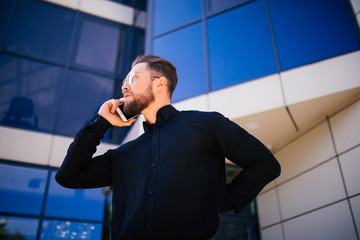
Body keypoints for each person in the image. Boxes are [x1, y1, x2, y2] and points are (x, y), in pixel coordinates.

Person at [56, 55, 281, 240]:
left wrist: (216, 203)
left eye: (133, 78)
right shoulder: (124, 155)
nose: (124, 86)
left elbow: (265, 164)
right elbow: (68, 177)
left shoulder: (207, 125)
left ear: (160, 82)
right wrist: (100, 122)